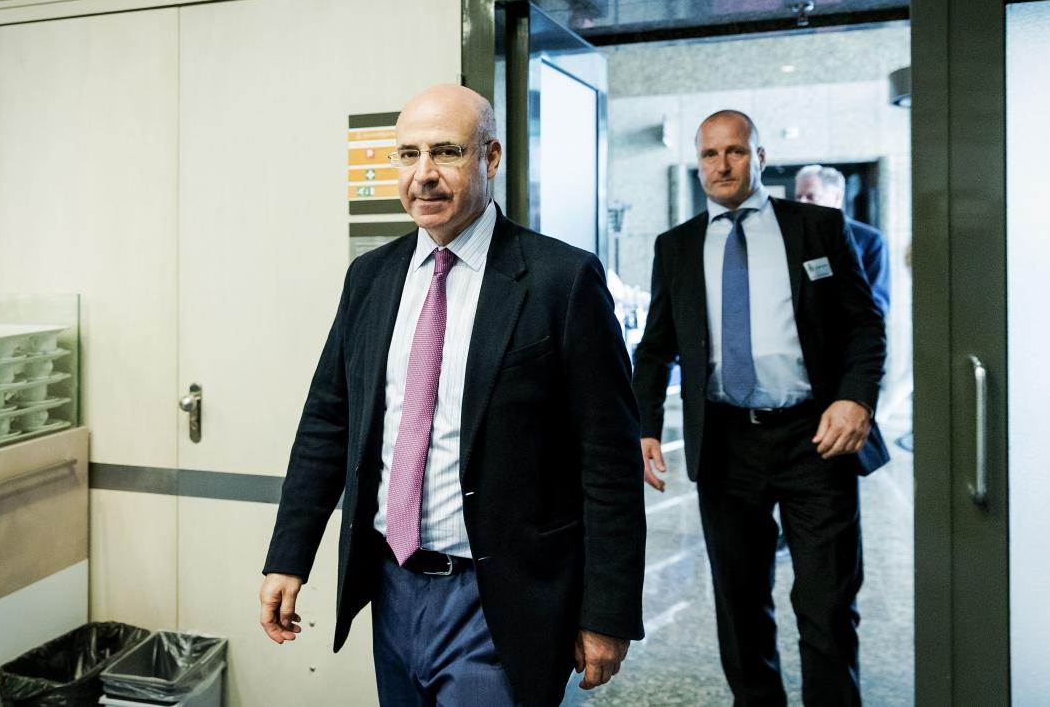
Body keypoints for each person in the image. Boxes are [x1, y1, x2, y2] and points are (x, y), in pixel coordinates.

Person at [259, 84, 646, 707]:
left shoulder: (560, 280)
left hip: (497, 597)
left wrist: (608, 611)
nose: (424, 176)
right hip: (391, 585)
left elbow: (609, 460)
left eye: (446, 152)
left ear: (490, 158)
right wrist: (289, 555)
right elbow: (328, 423)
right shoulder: (372, 277)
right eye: (408, 155)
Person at [633, 110, 887, 706]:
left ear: (761, 157)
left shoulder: (817, 228)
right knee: (741, 605)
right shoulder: (677, 246)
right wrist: (644, 426)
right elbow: (655, 347)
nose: (722, 165)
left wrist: (854, 397)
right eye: (710, 155)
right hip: (727, 445)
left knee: (826, 605)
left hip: (814, 438)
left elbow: (864, 325)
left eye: (735, 152)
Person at [794, 164, 890, 318]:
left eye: (810, 197)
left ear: (837, 197)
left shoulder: (870, 241)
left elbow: (878, 305)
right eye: (798, 197)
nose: (801, 203)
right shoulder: (794, 239)